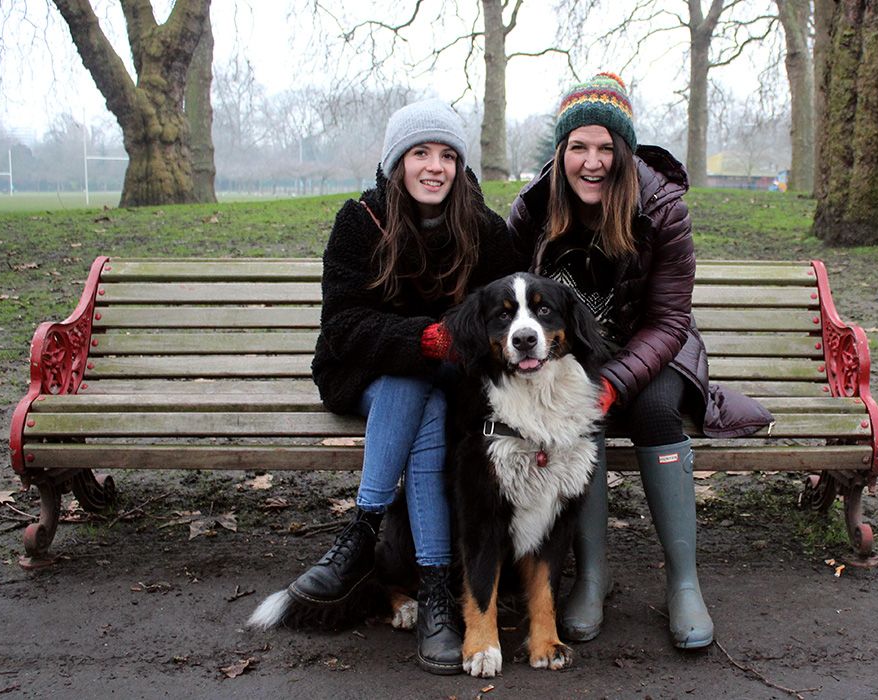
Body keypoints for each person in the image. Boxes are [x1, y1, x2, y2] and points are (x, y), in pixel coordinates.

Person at [295, 98, 517, 674]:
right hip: (363, 374)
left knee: (429, 398)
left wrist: (443, 349)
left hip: (449, 384)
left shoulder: (486, 231)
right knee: (408, 379)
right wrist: (424, 340)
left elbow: (502, 320)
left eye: (447, 154)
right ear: (398, 161)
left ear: (460, 166)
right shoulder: (360, 221)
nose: (434, 166)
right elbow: (342, 326)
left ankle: (363, 540)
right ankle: (435, 590)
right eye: (420, 152)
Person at [506, 73, 714, 649]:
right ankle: (593, 577)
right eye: (578, 147)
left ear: (623, 151)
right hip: (573, 357)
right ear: (561, 152)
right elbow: (506, 293)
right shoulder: (533, 209)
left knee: (652, 413)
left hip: (654, 347)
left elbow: (671, 321)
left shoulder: (662, 209)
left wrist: (615, 382)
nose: (591, 162)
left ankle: (684, 583)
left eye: (605, 147)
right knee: (576, 413)